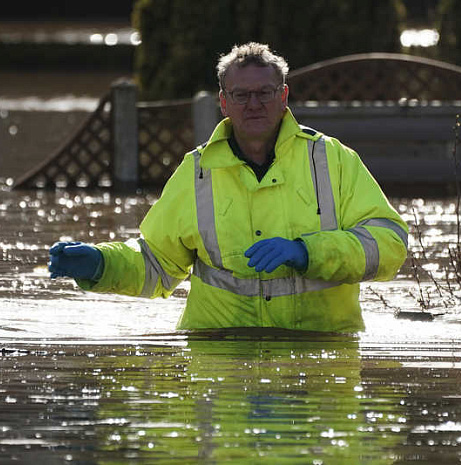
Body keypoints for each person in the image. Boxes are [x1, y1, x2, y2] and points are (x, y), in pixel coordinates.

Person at [48, 42, 408, 333]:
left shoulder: (332, 159)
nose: (253, 104)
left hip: (322, 351)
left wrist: (308, 252)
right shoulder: (197, 171)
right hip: (217, 355)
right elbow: (157, 266)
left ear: (284, 97)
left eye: (264, 93)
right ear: (223, 103)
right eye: (241, 95)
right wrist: (98, 265)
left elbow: (390, 245)